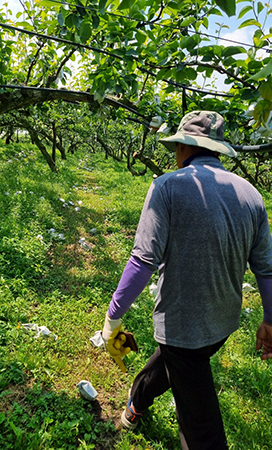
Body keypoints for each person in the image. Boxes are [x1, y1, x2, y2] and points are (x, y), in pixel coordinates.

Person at [102, 111, 272, 450]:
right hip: (223, 323)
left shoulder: (167, 187)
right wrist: (270, 319)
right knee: (175, 364)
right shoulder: (251, 195)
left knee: (201, 429)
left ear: (183, 148)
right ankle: (136, 403)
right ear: (218, 151)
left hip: (181, 325)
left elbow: (142, 260)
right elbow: (266, 269)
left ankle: (137, 405)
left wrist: (112, 318)